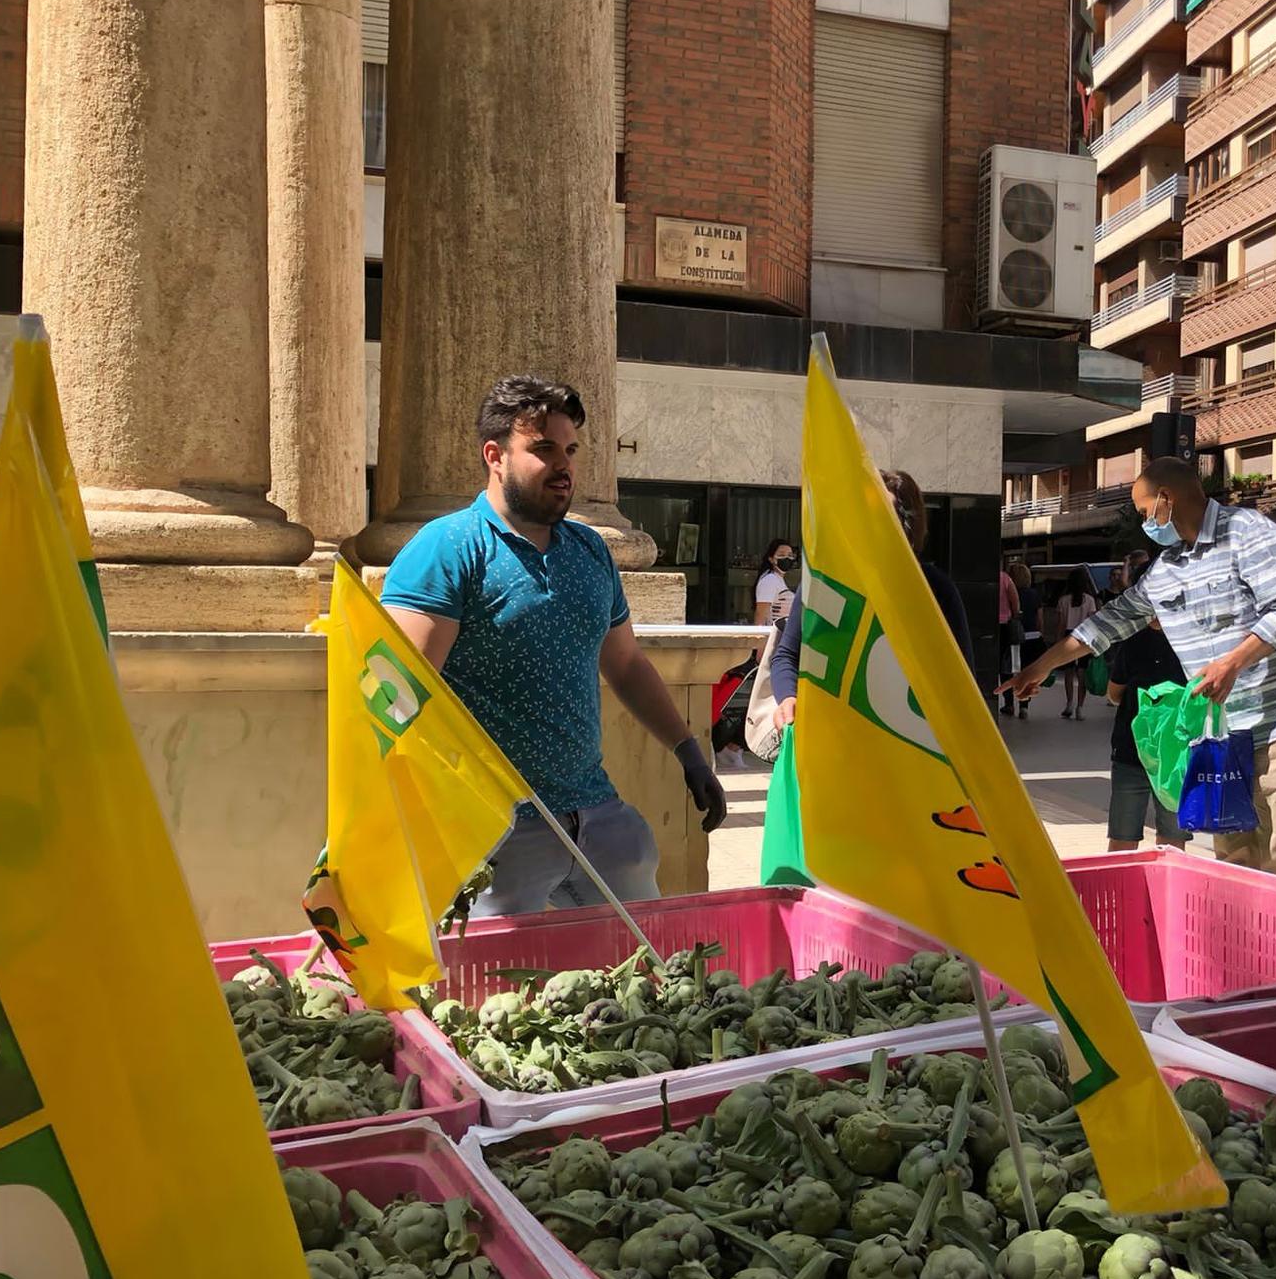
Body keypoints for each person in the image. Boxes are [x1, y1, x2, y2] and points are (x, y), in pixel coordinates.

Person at [381, 375, 728, 916]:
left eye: (570, 449)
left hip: (596, 814)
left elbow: (627, 664)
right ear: (494, 456)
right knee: (491, 996)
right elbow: (398, 693)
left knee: (650, 978)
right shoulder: (446, 548)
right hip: (496, 833)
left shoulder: (590, 550)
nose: (563, 466)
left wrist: (689, 753)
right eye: (543, 449)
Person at [1001, 458, 1276, 877]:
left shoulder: (1248, 532)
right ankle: (1245, 937)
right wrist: (1039, 667)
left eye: (1146, 511)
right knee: (1233, 848)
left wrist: (1232, 662)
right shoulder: (1167, 570)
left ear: (1166, 498)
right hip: (1224, 726)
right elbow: (1108, 624)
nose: (1147, 522)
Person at [772, 469, 971, 725]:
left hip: (908, 748)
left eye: (883, 514)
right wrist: (788, 697)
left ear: (909, 525)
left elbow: (963, 683)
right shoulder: (823, 581)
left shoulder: (935, 589)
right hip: (832, 739)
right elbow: (787, 655)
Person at [1104, 550, 1187, 851]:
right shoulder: (1191, 639)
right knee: (1173, 838)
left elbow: (1114, 693)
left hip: (1132, 747)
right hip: (1177, 750)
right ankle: (1172, 895)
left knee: (1122, 838)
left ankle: (1123, 897)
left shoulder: (1132, 639)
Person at [1060, 575, 1099, 720]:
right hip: (1084, 635)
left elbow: (1061, 623)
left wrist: (1059, 641)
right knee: (1082, 673)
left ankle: (1069, 703)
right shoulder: (1089, 600)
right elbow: (1092, 621)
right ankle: (1080, 707)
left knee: (1068, 672)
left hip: (1068, 635)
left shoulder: (1063, 600)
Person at [1011, 562, 1043, 721]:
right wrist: (1040, 632)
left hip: (1015, 636)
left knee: (1010, 668)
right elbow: (1039, 617)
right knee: (1028, 671)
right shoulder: (1034, 594)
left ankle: (1009, 702)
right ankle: (1024, 705)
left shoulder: (1011, 593)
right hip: (1032, 635)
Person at [753, 539, 797, 628]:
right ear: (771, 559)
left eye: (790, 555)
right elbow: (761, 613)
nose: (786, 558)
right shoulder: (770, 580)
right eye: (781, 555)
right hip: (775, 634)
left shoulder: (778, 580)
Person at [997, 563, 1021, 716]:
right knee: (1005, 667)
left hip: (985, 626)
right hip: (1005, 626)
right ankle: (1009, 703)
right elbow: (1015, 602)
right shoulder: (1005, 578)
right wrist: (1014, 616)